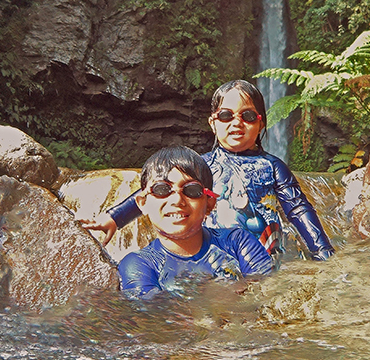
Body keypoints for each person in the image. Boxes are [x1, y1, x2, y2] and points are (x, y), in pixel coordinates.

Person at [81, 80, 335, 261]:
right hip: (214, 256)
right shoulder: (200, 166)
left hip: (264, 257)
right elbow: (155, 192)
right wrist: (114, 217)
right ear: (213, 123)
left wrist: (322, 251)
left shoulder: (272, 166)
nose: (236, 122)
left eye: (247, 116)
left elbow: (298, 209)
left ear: (261, 123)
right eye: (226, 115)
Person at [118, 145, 274, 298]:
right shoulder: (139, 264)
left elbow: (272, 289)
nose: (177, 200)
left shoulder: (237, 242)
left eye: (192, 190)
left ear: (210, 204)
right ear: (142, 203)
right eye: (162, 189)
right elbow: (151, 317)